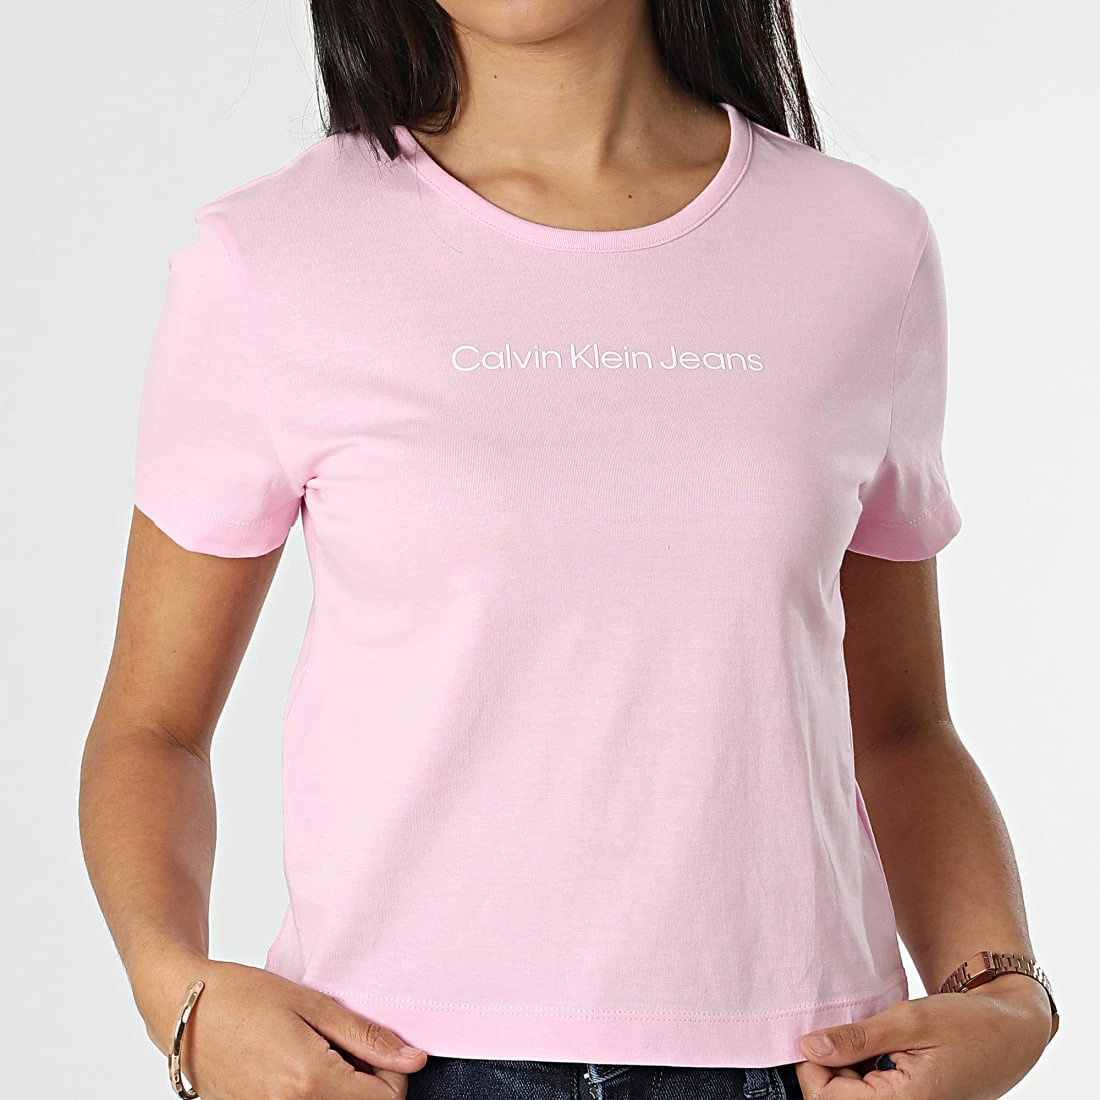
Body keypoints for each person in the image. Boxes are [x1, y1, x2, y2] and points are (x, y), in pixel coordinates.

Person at [78, 0, 1060, 1097]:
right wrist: (177, 995)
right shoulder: (273, 256)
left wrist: (1003, 991)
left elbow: (903, 727)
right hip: (389, 1061)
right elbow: (152, 728)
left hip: (800, 1061)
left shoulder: (861, 247)